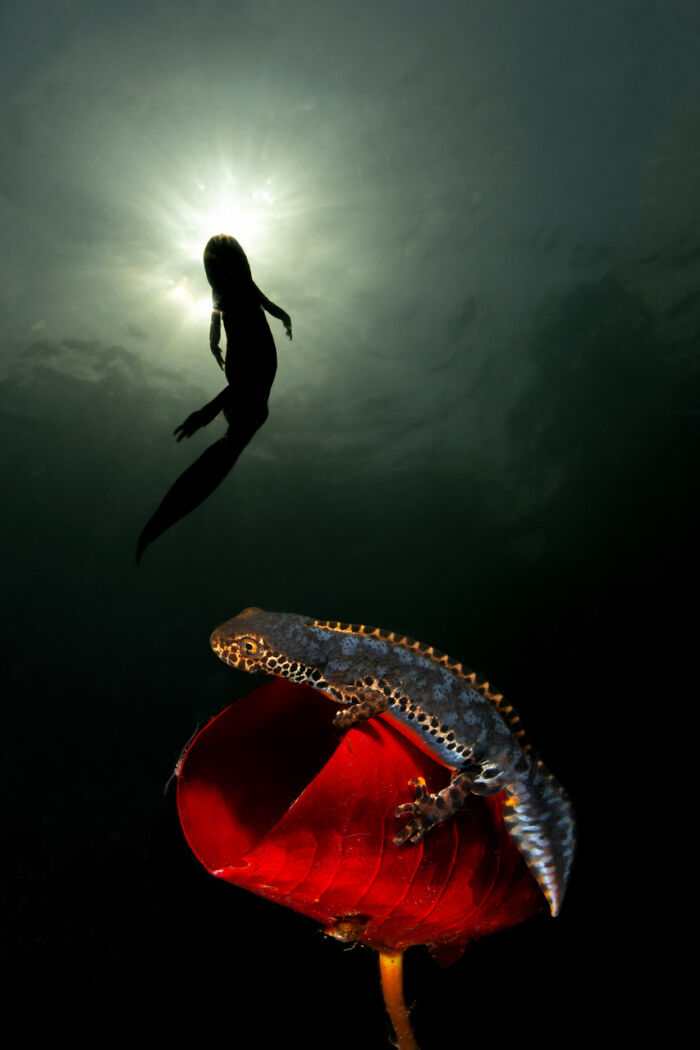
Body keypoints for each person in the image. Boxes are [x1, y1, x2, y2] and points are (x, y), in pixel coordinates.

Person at [135, 235, 292, 562]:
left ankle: (157, 527)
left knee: (232, 437)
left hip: (250, 382)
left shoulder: (241, 288)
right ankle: (157, 527)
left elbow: (263, 309)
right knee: (232, 438)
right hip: (249, 381)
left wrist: (208, 409)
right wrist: (213, 344)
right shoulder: (226, 292)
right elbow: (218, 321)